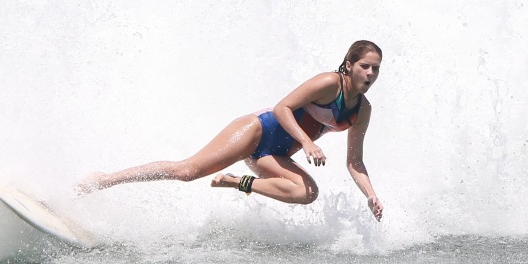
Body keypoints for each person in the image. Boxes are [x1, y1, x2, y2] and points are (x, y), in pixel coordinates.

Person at [75, 40, 384, 221]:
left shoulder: (362, 110)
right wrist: (307, 142)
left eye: (376, 69)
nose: (370, 73)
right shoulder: (328, 83)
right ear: (349, 64)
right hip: (257, 131)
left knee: (308, 193)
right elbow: (282, 108)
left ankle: (238, 182)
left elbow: (355, 162)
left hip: (273, 155)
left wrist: (370, 196)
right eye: (365, 66)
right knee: (186, 172)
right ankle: (102, 180)